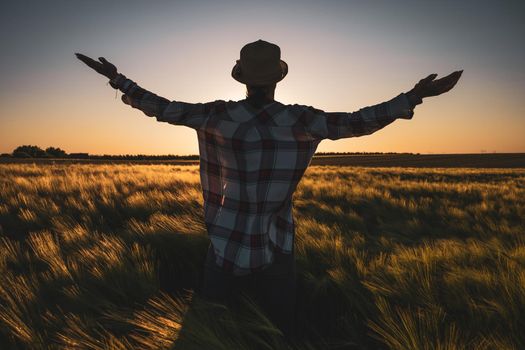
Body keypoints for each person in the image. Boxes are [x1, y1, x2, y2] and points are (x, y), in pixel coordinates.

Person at [76, 39, 462, 338]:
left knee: (207, 321)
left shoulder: (216, 115)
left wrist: (116, 77)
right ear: (278, 78)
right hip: (277, 243)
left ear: (241, 77)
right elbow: (359, 121)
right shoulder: (301, 120)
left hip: (224, 241)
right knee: (280, 327)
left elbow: (160, 106)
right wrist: (414, 96)